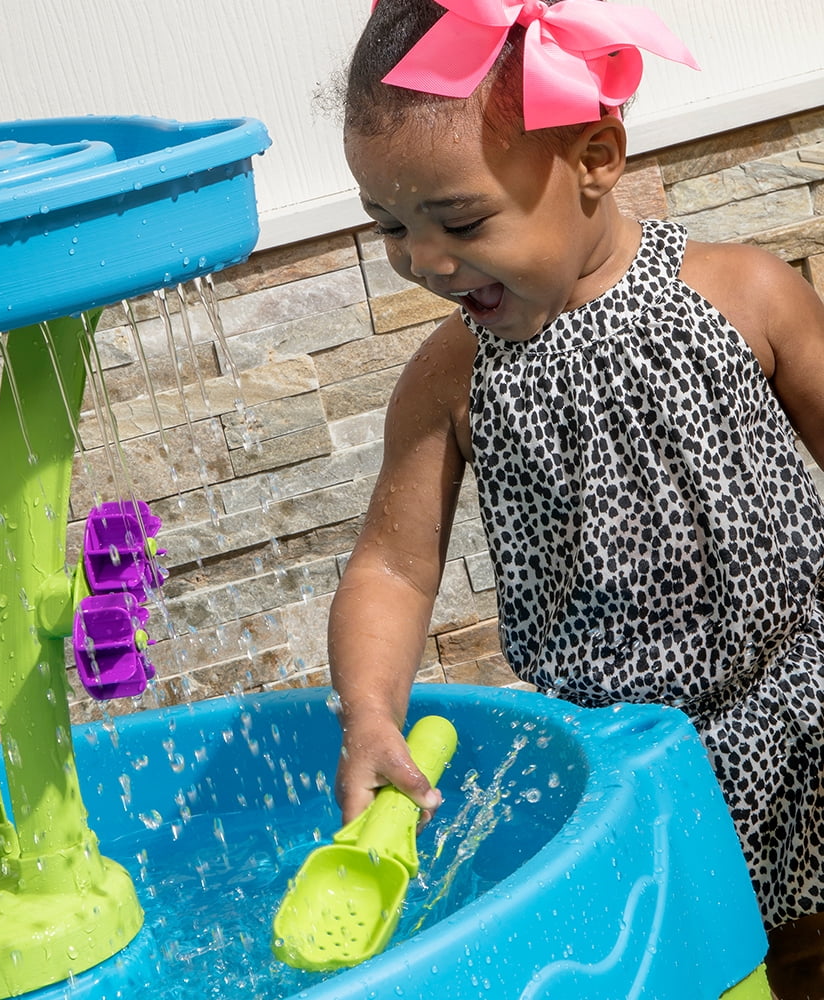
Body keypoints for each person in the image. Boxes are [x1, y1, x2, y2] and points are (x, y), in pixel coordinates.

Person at [327, 1, 824, 996]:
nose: (424, 258)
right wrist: (369, 710)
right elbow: (392, 564)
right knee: (703, 962)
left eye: (459, 219)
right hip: (633, 765)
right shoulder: (449, 380)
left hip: (804, 693)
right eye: (391, 226)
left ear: (595, 157)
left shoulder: (742, 293)